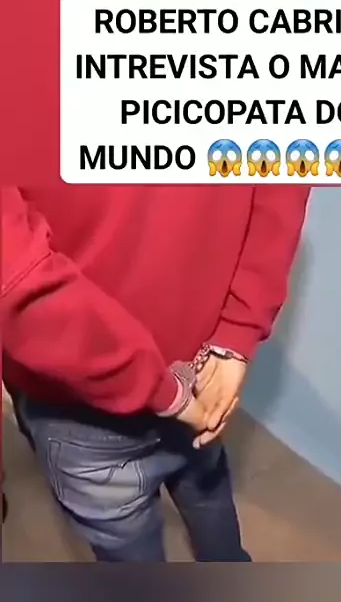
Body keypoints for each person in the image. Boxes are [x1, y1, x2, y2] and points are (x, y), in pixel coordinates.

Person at [2, 185, 309, 561]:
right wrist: (236, 333)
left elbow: (16, 284)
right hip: (200, 368)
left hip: (81, 402)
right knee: (207, 490)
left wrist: (232, 337)